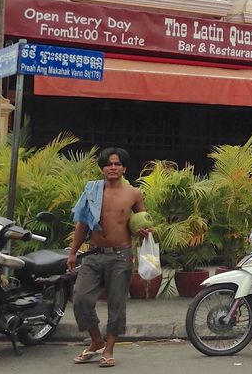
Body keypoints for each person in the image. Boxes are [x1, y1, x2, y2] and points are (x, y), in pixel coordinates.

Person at [67, 147, 150, 367]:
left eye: (117, 164)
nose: (112, 167)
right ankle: (96, 341)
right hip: (93, 254)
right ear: (102, 168)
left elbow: (142, 222)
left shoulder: (134, 193)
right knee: (81, 298)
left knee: (116, 304)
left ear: (124, 167)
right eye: (108, 164)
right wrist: (73, 252)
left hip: (120, 256)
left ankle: (109, 350)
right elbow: (82, 223)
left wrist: (144, 232)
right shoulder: (92, 190)